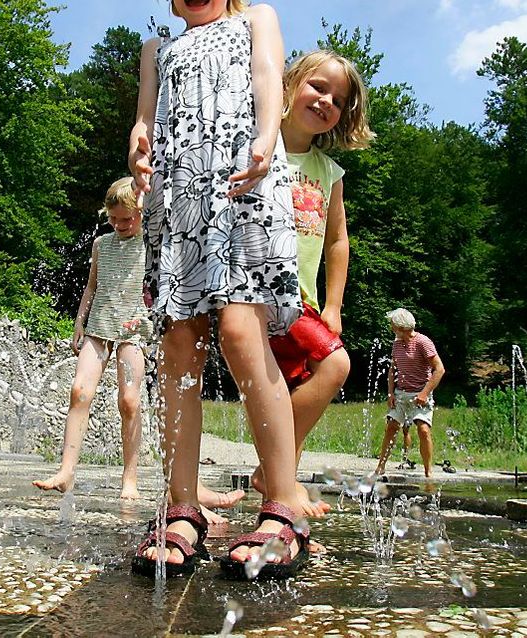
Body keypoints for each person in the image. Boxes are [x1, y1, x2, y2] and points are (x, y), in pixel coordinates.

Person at [129, 0, 308, 580]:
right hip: (180, 188)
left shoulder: (257, 17)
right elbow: (145, 120)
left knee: (239, 331)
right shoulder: (156, 49)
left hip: (242, 175)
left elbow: (266, 79)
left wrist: (264, 138)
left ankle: (283, 508)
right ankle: (182, 510)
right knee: (179, 346)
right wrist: (138, 143)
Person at [250, 51, 374, 523]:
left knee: (301, 383)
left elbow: (338, 240)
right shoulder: (258, 146)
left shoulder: (329, 172)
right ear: (289, 84)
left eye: (338, 99)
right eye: (318, 87)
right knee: (335, 363)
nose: (325, 101)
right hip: (252, 293)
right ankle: (278, 479)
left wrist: (335, 304)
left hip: (301, 300)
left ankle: (278, 504)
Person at [33, 177, 154, 500]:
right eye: (113, 218)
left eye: (127, 219)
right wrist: (79, 321)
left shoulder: (151, 242)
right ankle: (66, 470)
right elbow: (92, 285)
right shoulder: (102, 244)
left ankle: (130, 477)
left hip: (133, 330)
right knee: (79, 391)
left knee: (129, 400)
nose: (119, 225)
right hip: (99, 324)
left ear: (141, 213)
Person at [375, 308, 446, 478]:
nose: (391, 327)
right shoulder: (397, 343)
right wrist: (390, 393)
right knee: (391, 427)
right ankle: (380, 466)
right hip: (400, 393)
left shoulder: (423, 342)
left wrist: (424, 393)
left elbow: (440, 369)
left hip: (420, 394)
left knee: (423, 430)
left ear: (401, 326)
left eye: (393, 324)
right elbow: (393, 370)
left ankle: (428, 471)